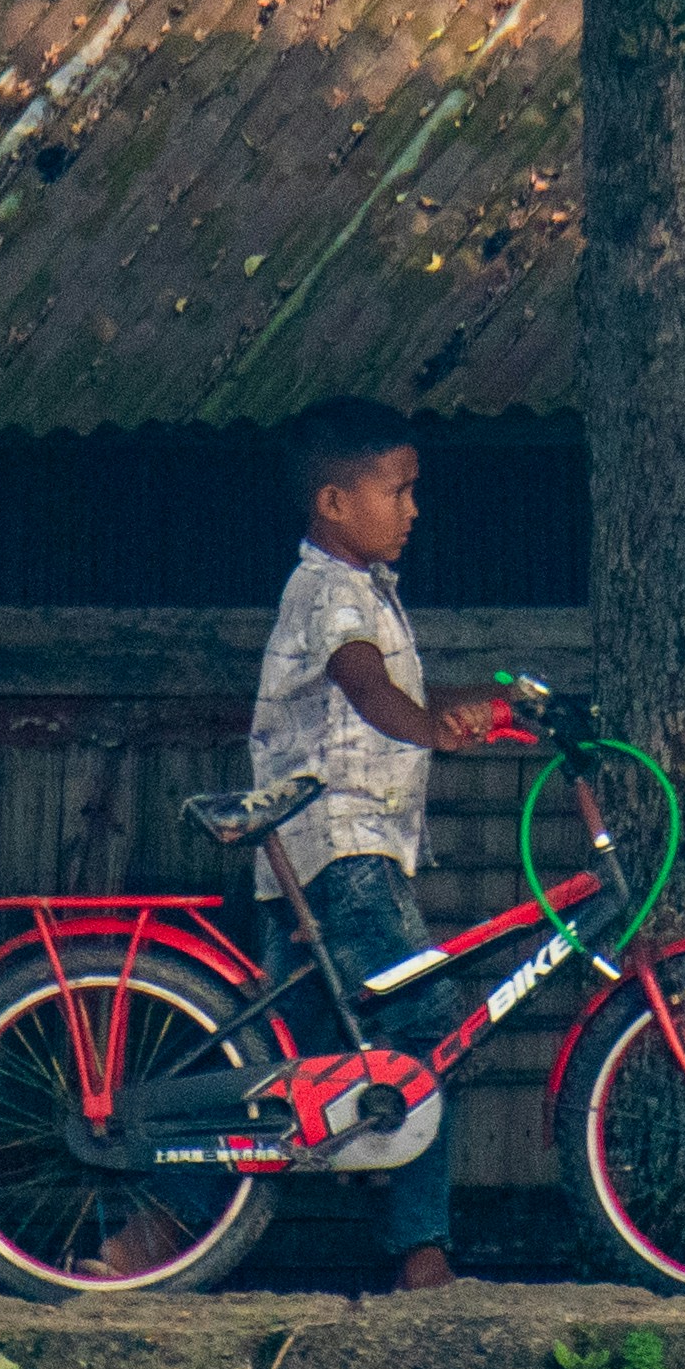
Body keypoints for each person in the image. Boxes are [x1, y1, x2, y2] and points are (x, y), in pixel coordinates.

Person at [236, 395, 527, 1292]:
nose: (413, 509)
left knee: (290, 1066)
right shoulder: (328, 592)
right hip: (342, 855)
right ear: (333, 503)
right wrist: (429, 727)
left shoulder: (366, 593)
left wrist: (492, 705)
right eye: (398, 490)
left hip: (334, 860)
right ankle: (422, 1253)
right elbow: (363, 684)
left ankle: (147, 1240)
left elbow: (398, 690)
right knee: (422, 1032)